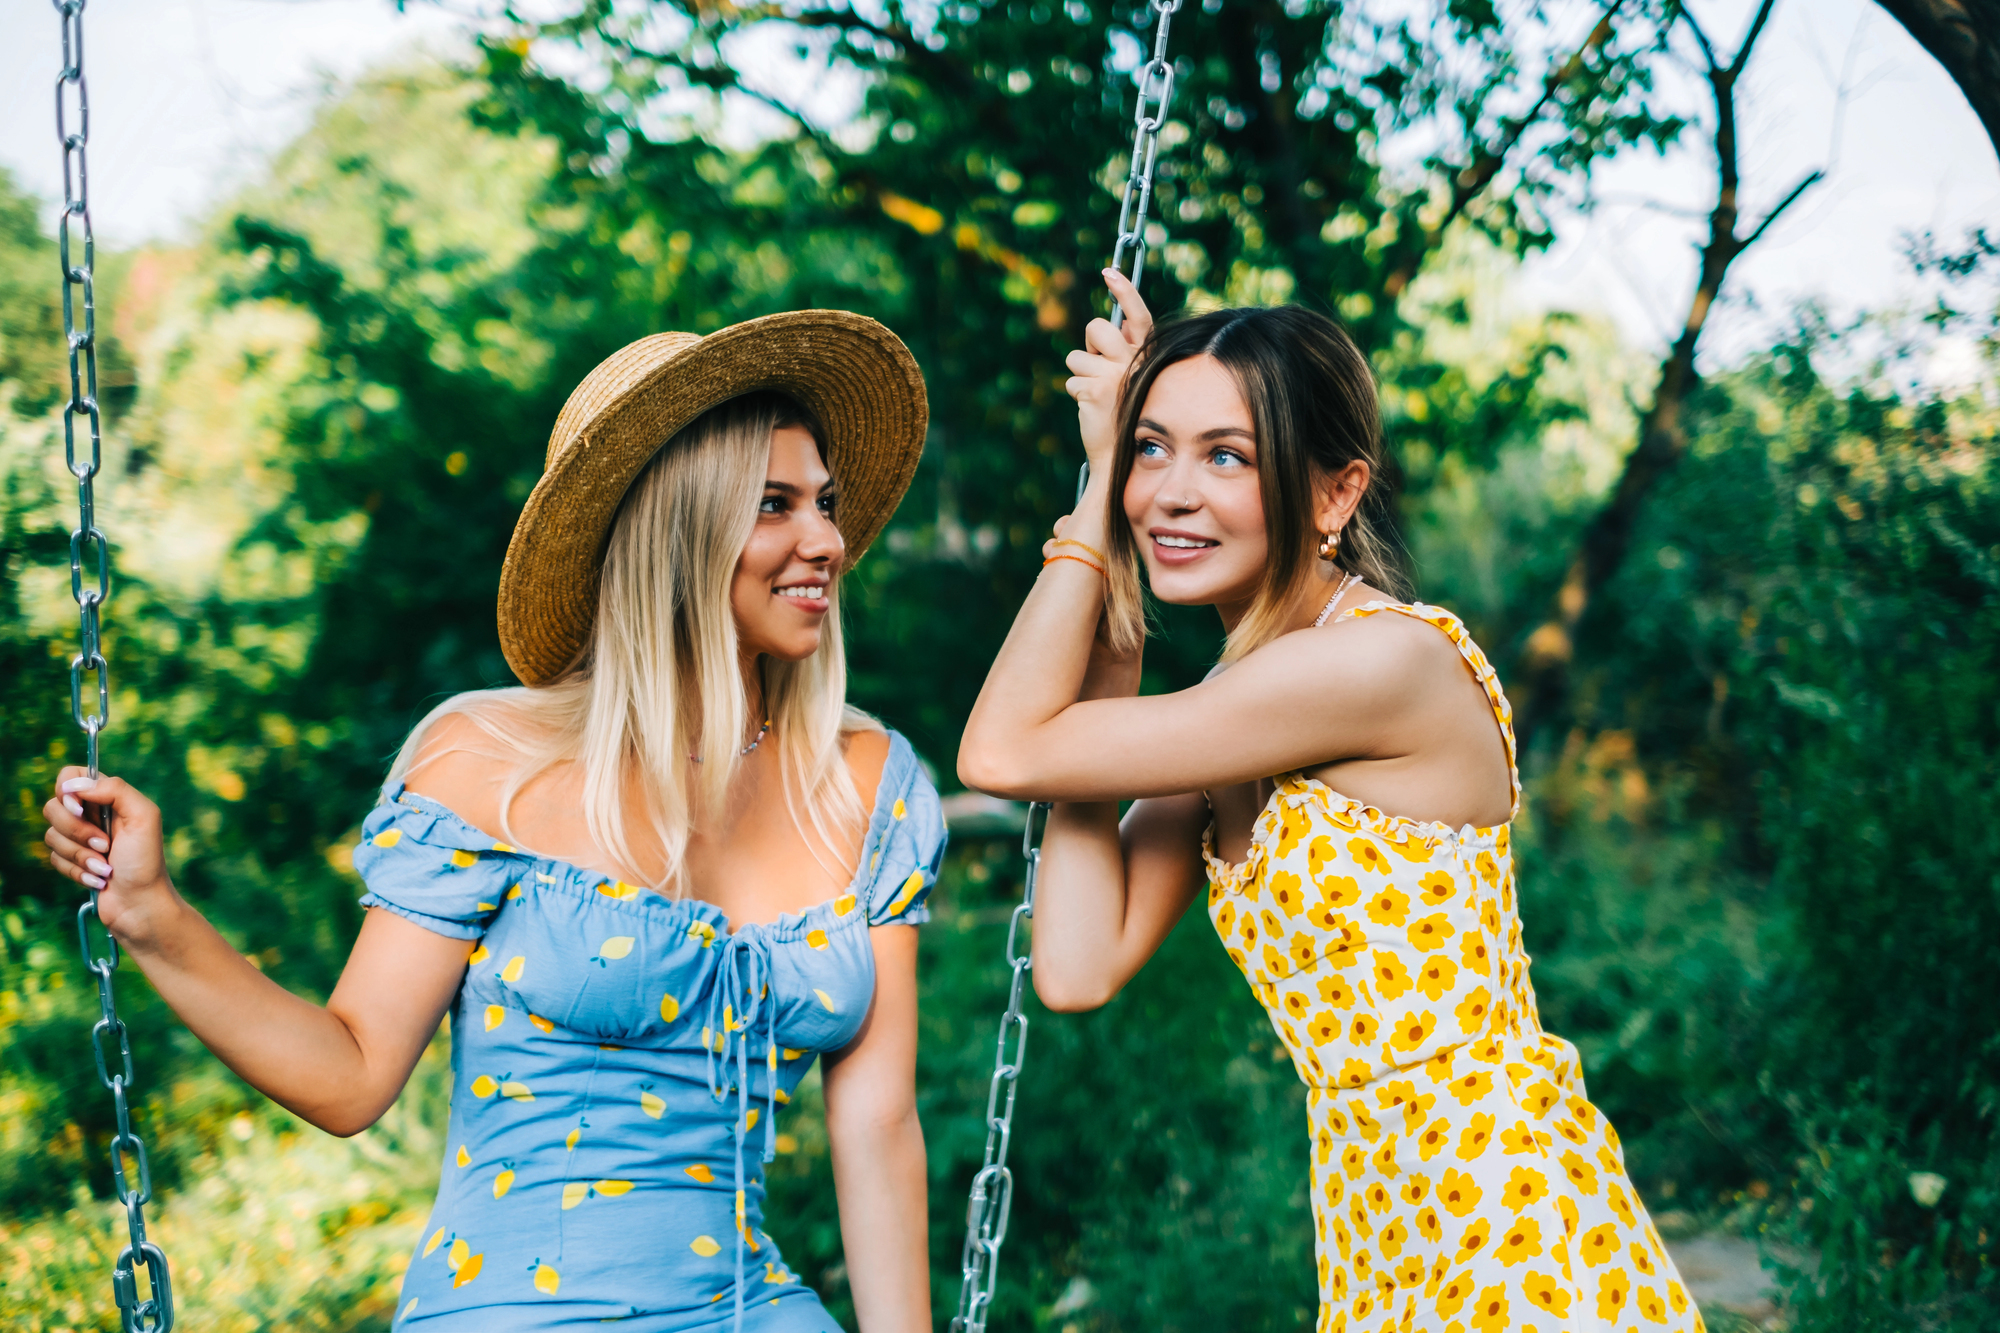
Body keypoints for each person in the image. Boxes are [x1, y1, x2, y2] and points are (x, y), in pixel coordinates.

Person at [42, 311, 945, 1333]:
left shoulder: (865, 783)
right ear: (674, 529)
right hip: (517, 1308)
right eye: (774, 504)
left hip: (748, 1307)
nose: (826, 538)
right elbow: (350, 1074)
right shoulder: (491, 764)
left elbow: (877, 1127)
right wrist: (155, 913)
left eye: (823, 502)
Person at [958, 273, 1701, 1332]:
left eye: (1226, 455)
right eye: (1147, 448)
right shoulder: (1235, 707)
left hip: (1505, 1212)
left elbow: (1001, 747)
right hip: (1381, 1220)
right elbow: (1079, 966)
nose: (1168, 491)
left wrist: (1089, 505)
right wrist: (1111, 607)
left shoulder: (1372, 664)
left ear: (1333, 494)